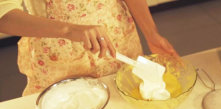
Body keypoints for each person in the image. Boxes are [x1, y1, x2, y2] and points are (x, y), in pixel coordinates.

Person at [0, 0, 178, 95]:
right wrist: (68, 29)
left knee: (127, 103)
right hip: (58, 50)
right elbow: (4, 15)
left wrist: (151, 33)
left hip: (118, 37)